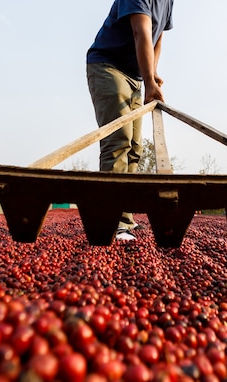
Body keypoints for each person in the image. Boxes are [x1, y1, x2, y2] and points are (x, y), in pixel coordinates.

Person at [87, 0, 174, 241]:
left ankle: (125, 219)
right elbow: (141, 31)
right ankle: (111, 222)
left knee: (135, 148)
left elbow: (157, 38)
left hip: (135, 75)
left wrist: (152, 74)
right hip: (108, 66)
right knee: (118, 141)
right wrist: (149, 82)